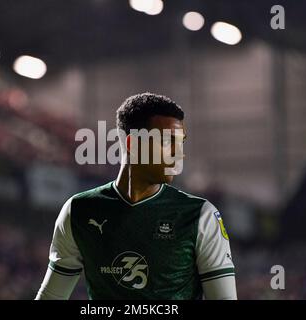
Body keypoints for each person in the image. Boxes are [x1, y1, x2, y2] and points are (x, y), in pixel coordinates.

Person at [35, 92, 237, 300]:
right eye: (168, 142)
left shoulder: (200, 216)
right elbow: (51, 297)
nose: (179, 153)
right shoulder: (78, 210)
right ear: (133, 144)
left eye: (181, 142)